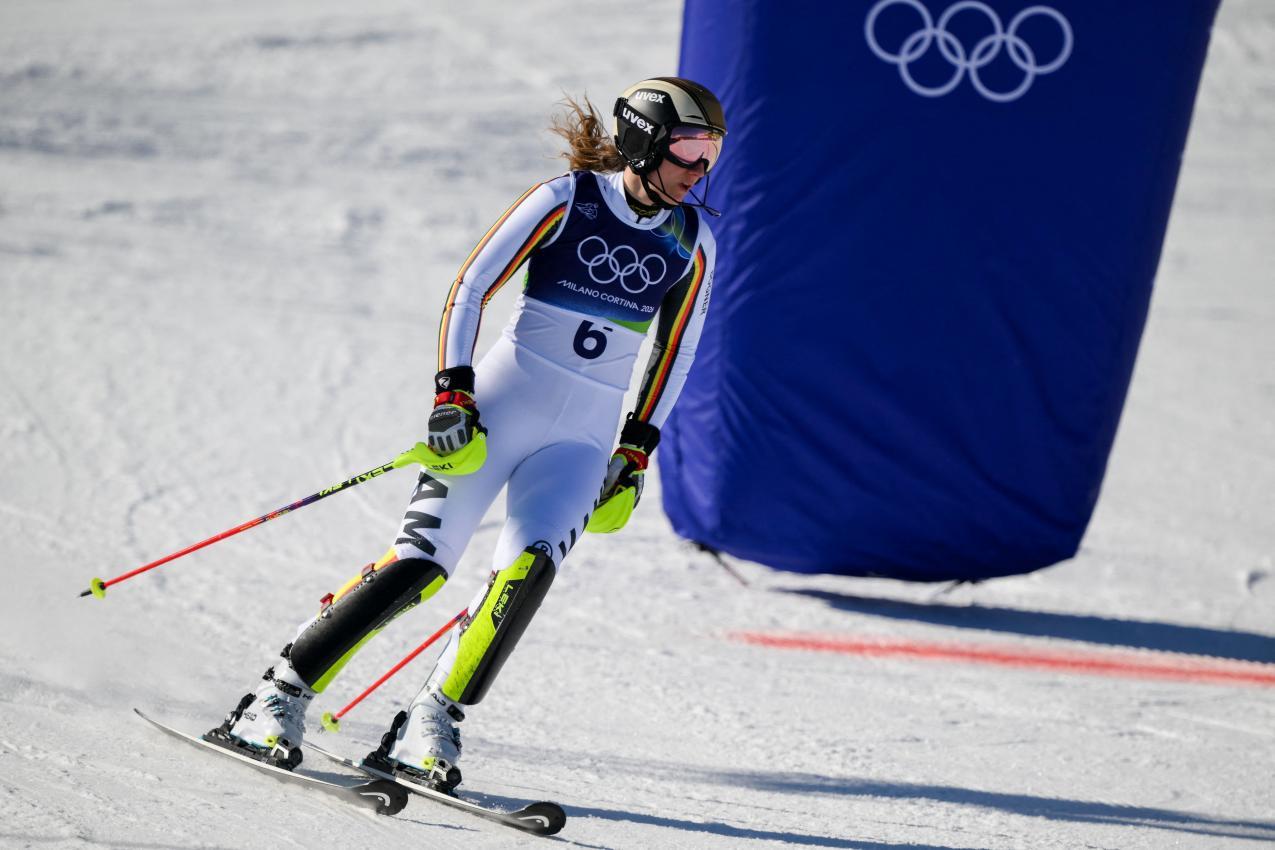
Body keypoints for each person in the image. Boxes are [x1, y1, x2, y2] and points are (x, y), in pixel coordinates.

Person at [205, 77, 726, 793]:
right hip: (498, 412)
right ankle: (276, 697)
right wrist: (452, 393)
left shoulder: (692, 240)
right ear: (641, 140)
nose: (700, 170)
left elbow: (676, 353)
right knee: (420, 564)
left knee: (526, 574)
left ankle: (428, 720)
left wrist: (635, 452)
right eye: (689, 150)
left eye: (712, 154)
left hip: (580, 439)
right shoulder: (566, 199)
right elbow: (472, 285)